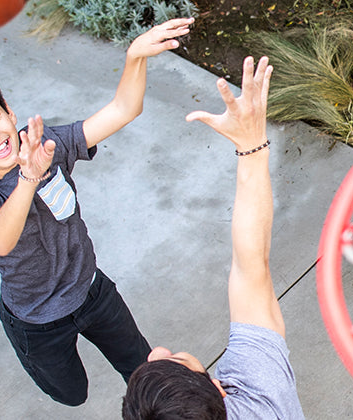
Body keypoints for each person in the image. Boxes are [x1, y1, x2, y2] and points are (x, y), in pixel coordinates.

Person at [0, 18, 194, 407]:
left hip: (91, 289)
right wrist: (28, 177)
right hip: (37, 318)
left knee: (148, 373)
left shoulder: (49, 144)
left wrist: (135, 57)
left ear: (9, 111)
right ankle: (27, 347)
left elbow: (122, 109)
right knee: (72, 395)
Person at [120, 56, 304, 420]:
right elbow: (252, 267)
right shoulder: (261, 394)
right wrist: (252, 147)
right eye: (176, 359)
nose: (156, 350)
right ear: (220, 390)